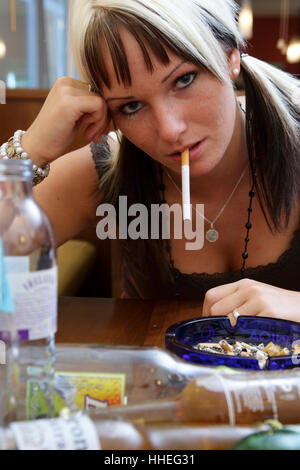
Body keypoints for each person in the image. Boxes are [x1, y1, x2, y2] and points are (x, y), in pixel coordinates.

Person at [1, 0, 300, 321]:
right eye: (131, 106)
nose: (170, 130)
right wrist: (30, 150)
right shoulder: (111, 167)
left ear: (230, 58)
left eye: (184, 80)